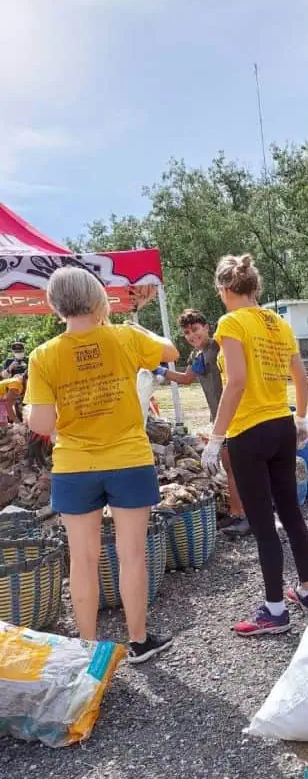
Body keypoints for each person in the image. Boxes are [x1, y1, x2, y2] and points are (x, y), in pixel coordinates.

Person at [24, 267, 179, 663]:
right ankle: (138, 641)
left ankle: (87, 652)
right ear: (98, 298)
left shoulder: (44, 355)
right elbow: (171, 351)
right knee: (131, 554)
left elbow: (41, 423)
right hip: (128, 459)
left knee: (82, 558)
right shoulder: (125, 337)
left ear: (56, 306)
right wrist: (137, 328)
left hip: (74, 465)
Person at [201, 254, 308, 636]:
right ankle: (305, 589)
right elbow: (301, 375)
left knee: (263, 524)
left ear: (224, 289)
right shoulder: (279, 323)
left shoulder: (231, 322)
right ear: (254, 287)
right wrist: (301, 417)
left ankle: (275, 611)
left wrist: (215, 439)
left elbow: (235, 381)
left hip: (249, 431)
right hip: (281, 424)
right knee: (291, 510)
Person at [157, 309, 249, 537]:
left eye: (195, 329)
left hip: (236, 415)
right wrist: (157, 370)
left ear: (206, 327)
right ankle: (237, 512)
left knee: (237, 468)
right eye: (187, 332)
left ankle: (247, 517)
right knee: (230, 468)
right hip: (219, 417)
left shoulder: (219, 345)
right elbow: (186, 379)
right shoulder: (196, 356)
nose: (192, 335)